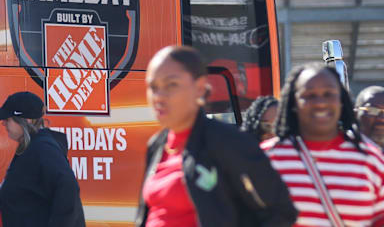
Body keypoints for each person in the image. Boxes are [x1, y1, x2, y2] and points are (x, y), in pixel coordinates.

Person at [136, 46, 296, 227]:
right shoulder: (157, 144)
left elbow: (280, 211)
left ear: (200, 87)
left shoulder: (228, 141)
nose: (159, 96)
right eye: (153, 87)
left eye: (171, 84)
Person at [262, 63, 384, 226]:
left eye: (329, 94)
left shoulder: (370, 158)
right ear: (293, 103)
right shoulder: (266, 158)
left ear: (341, 100)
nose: (320, 102)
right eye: (310, 95)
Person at [0, 91, 85, 227]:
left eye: (8, 119)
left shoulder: (42, 148)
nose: (3, 123)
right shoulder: (31, 148)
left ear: (26, 120)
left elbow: (68, 187)